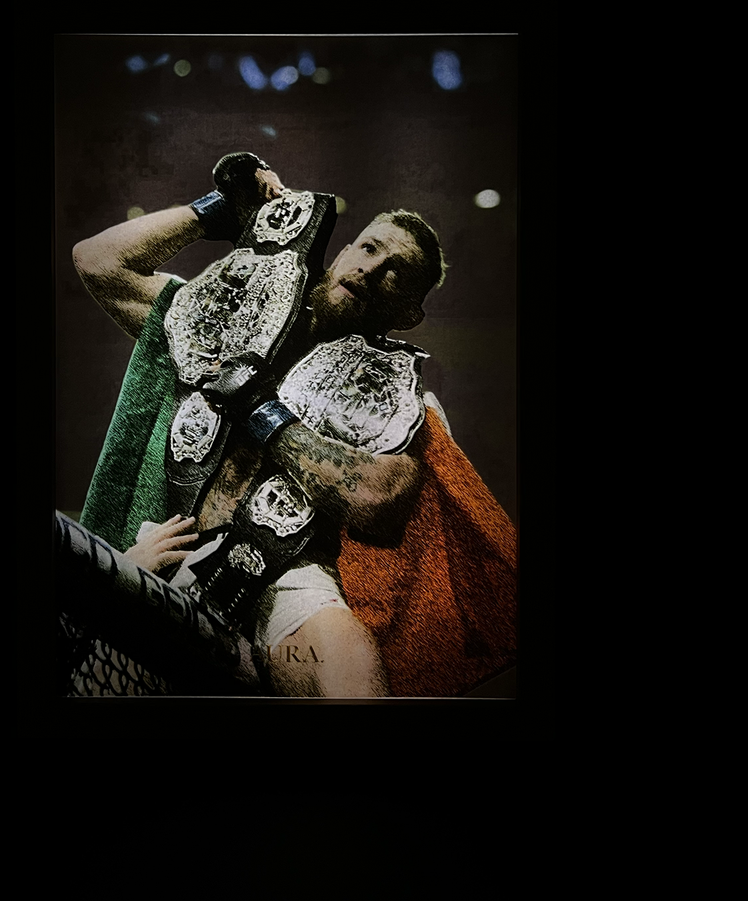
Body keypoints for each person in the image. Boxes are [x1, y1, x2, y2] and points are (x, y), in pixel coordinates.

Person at [68, 153, 516, 698]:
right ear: (343, 251)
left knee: (348, 673)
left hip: (284, 574)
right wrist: (218, 212)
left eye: (397, 272)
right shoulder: (226, 318)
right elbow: (98, 261)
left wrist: (264, 414)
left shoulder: (397, 399)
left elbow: (379, 499)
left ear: (408, 315)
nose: (372, 269)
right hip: (166, 543)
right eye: (369, 248)